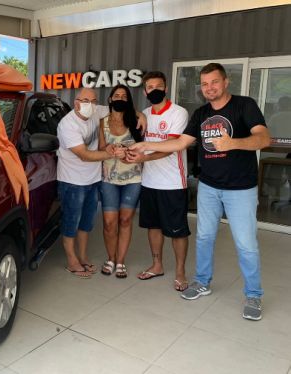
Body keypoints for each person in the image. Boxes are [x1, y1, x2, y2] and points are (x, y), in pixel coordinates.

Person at [129, 63, 271, 320]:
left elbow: (263, 138)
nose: (209, 88)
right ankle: (202, 281)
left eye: (214, 82)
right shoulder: (201, 113)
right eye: (204, 84)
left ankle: (254, 294)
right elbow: (181, 142)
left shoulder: (244, 105)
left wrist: (233, 142)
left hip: (241, 188)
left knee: (246, 244)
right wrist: (144, 145)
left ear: (226, 82)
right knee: (204, 238)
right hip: (208, 185)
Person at [125, 71, 190, 291]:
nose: (154, 90)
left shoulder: (178, 113)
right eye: (150, 87)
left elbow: (172, 148)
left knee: (177, 230)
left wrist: (145, 157)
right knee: (152, 226)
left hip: (173, 182)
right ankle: (157, 265)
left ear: (166, 88)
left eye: (158, 86)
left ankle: (180, 271)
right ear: (145, 91)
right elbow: (118, 110)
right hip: (149, 181)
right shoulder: (144, 113)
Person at [57, 87, 113, 278]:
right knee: (71, 221)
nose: (90, 105)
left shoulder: (96, 111)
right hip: (73, 181)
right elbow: (84, 155)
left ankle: (82, 255)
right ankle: (72, 260)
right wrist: (111, 153)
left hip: (93, 179)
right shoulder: (67, 124)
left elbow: (118, 109)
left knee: (87, 222)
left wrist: (141, 116)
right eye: (85, 100)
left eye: (94, 101)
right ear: (76, 103)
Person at [98, 84, 143, 278]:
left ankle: (121, 261)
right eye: (116, 95)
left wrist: (128, 152)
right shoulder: (103, 122)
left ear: (128, 101)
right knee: (109, 222)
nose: (120, 98)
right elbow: (101, 148)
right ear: (110, 99)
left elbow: (142, 147)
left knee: (125, 220)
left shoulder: (137, 120)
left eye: (124, 96)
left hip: (133, 178)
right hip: (109, 178)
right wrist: (109, 149)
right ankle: (111, 257)